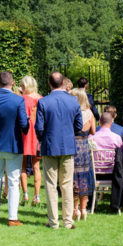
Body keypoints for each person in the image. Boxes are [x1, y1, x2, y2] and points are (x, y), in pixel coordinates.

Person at [36, 71, 83, 229]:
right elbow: (78, 126)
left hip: (49, 146)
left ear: (50, 84)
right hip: (68, 146)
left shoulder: (44, 102)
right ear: (63, 83)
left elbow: (39, 128)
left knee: (50, 184)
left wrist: (44, 138)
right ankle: (68, 222)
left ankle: (53, 221)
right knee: (67, 184)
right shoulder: (73, 101)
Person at [0, 71, 30, 226]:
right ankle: (12, 218)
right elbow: (24, 124)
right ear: (13, 83)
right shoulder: (18, 100)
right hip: (12, 145)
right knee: (13, 182)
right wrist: (27, 124)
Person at [71, 87, 96, 221]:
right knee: (84, 177)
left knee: (74, 178)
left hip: (74, 145)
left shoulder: (72, 113)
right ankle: (83, 209)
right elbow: (93, 131)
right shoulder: (90, 113)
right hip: (84, 146)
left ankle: (75, 210)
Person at [20, 75, 43, 206]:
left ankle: (25, 194)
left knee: (23, 165)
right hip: (38, 135)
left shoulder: (22, 100)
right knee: (36, 167)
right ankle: (37, 196)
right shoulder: (41, 99)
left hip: (26, 134)